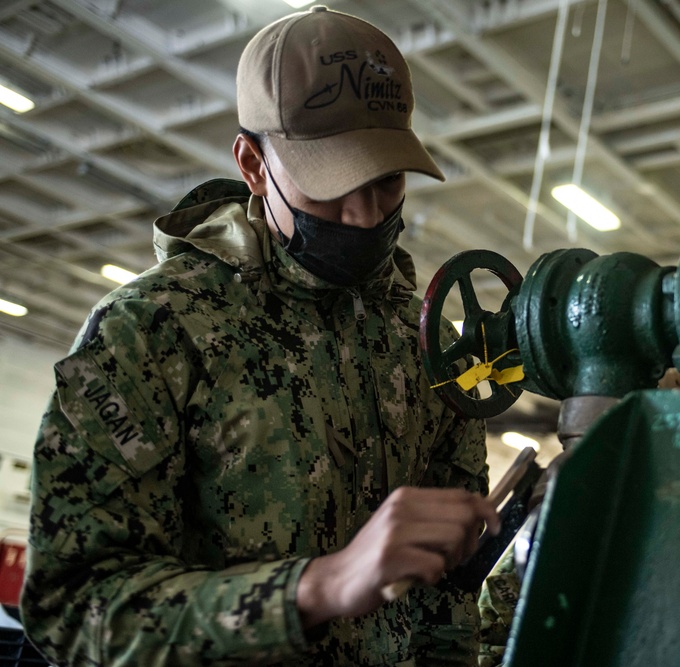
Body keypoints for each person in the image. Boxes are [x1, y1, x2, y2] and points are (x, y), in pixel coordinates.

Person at [20, 6, 500, 666]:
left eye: (385, 180)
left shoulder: (425, 343)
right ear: (252, 163)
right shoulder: (152, 333)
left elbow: (447, 595)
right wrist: (315, 587)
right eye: (332, 182)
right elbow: (73, 608)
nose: (363, 214)